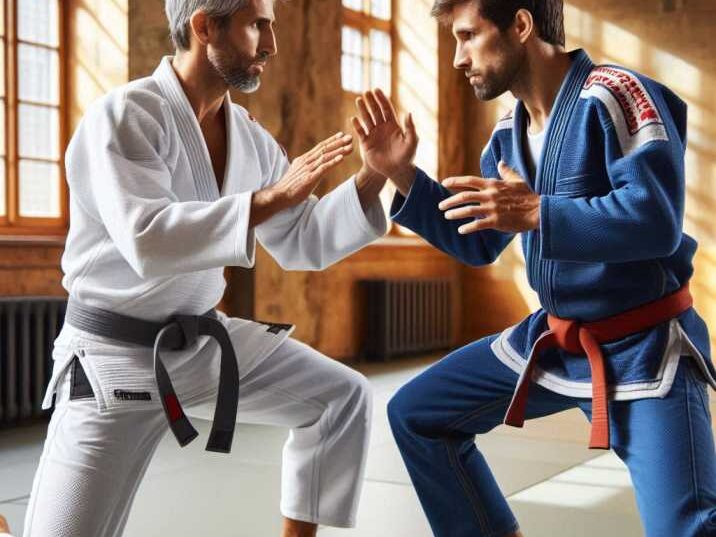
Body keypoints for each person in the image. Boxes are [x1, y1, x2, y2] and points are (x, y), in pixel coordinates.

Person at [23, 1, 390, 536]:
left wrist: (373, 177)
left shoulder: (246, 135)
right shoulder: (126, 116)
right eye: (256, 26)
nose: (271, 45)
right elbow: (147, 238)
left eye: (271, 26)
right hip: (111, 364)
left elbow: (300, 239)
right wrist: (269, 198)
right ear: (204, 26)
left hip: (199, 347)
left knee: (342, 397)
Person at [351, 1, 716, 536]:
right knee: (417, 416)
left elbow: (656, 220)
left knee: (688, 528)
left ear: (520, 26)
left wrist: (537, 210)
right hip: (555, 339)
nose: (457, 58)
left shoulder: (618, 95)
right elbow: (480, 243)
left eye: (468, 36)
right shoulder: (508, 133)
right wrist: (404, 177)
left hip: (644, 348)